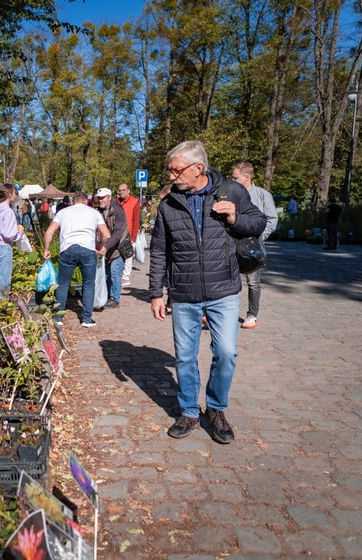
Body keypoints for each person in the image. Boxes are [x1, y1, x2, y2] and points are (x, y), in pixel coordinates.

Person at [148, 140, 265, 444]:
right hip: (184, 292)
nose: (171, 176)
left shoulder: (231, 191)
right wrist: (156, 292)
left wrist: (235, 218)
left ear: (197, 168)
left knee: (226, 353)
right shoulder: (168, 204)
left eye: (176, 170)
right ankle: (189, 412)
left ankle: (215, 409)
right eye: (170, 170)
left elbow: (258, 223)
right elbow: (159, 250)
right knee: (185, 358)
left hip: (223, 289)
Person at [43, 191, 111, 328]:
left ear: (73, 201)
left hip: (67, 249)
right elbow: (106, 234)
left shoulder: (63, 212)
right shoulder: (94, 213)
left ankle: (58, 317)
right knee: (89, 284)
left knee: (63, 284)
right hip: (87, 249)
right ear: (86, 201)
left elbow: (49, 231)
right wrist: (101, 246)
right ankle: (86, 318)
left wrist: (46, 249)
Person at [231, 162, 278, 329]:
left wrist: (260, 238)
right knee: (228, 278)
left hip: (253, 245)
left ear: (246, 177)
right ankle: (225, 313)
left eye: (235, 177)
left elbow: (272, 219)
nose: (232, 180)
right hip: (232, 242)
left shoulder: (262, 195)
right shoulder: (231, 194)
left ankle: (252, 315)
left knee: (253, 281)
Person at [93, 187, 128, 309]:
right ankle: (106, 295)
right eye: (99, 198)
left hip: (119, 246)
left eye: (103, 198)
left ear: (109, 198)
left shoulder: (118, 210)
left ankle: (115, 298)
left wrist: (106, 247)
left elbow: (118, 232)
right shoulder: (98, 210)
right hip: (106, 246)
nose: (100, 200)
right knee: (106, 273)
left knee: (115, 272)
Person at [116, 183, 142, 286]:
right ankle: (119, 273)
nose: (121, 192)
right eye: (119, 190)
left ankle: (125, 276)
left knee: (128, 255)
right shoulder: (116, 201)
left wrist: (134, 237)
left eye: (123, 190)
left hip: (129, 233)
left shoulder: (134, 202)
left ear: (128, 191)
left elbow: (136, 220)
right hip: (118, 233)